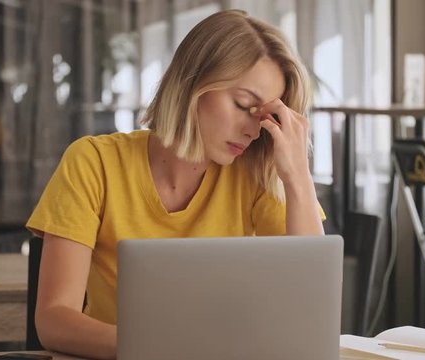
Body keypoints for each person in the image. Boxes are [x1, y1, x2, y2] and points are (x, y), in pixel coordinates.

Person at [26, 9, 325, 359]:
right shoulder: (94, 163)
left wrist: (297, 177)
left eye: (264, 116)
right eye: (244, 105)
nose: (253, 129)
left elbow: (312, 304)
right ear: (192, 84)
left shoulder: (254, 177)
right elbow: (54, 321)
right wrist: (161, 349)